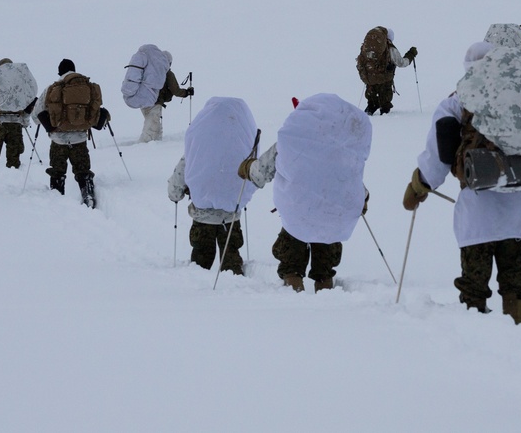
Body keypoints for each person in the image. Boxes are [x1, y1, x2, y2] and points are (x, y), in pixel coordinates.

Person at [402, 41, 521, 325]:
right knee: (516, 285)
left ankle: (476, 332)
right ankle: (520, 323)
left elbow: (439, 154)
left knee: (474, 287)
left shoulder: (458, 101)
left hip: (477, 216)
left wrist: (420, 185)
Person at [238, 93, 372, 292]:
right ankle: (326, 293)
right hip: (332, 218)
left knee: (291, 260)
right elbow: (349, 181)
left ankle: (294, 293)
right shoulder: (340, 150)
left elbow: (262, 173)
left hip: (297, 213)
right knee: (325, 265)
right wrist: (362, 198)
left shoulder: (289, 144)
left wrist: (248, 168)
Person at [167, 97, 258, 274]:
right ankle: (235, 289)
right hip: (231, 217)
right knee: (231, 257)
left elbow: (180, 174)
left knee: (201, 258)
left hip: (202, 217)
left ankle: (199, 291)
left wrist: (175, 194)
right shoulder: (242, 149)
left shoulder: (199, 150)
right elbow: (254, 174)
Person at [33, 58, 109, 208]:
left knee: (57, 172)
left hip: (58, 140)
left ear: (59, 72)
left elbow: (36, 114)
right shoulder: (87, 87)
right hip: (80, 138)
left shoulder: (52, 88)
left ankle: (58, 201)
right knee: (83, 171)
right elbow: (95, 111)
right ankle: (88, 195)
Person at [356, 26, 417, 115]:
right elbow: (401, 63)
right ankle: (385, 118)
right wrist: (411, 54)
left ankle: (370, 108)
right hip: (384, 79)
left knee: (371, 102)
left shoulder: (367, 47)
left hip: (369, 79)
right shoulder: (390, 48)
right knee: (385, 104)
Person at [138, 51, 193, 143]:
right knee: (151, 129)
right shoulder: (167, 73)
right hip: (155, 103)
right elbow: (175, 90)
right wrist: (187, 92)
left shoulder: (148, 70)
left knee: (156, 127)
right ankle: (143, 148)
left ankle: (157, 145)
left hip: (143, 103)